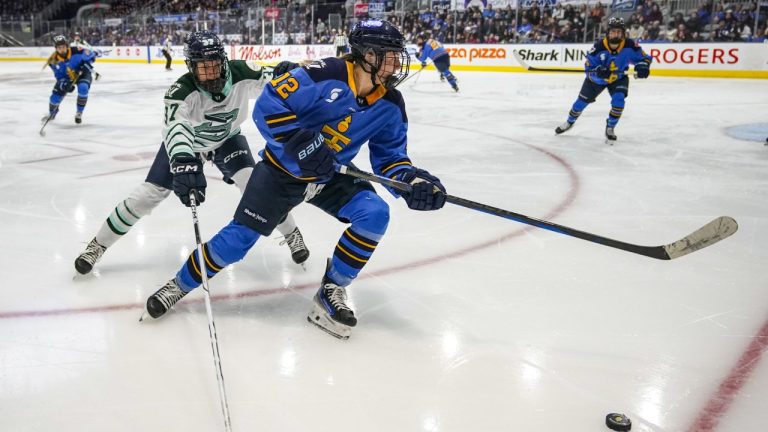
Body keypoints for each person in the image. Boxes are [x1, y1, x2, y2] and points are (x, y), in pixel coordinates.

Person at [141, 20, 447, 340]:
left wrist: (412, 182)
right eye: (390, 55)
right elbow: (269, 105)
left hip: (329, 175)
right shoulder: (323, 74)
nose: (397, 63)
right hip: (281, 173)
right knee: (237, 242)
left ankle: (332, 290)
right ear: (367, 56)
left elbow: (390, 158)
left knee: (374, 213)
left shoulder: (390, 104)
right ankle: (179, 284)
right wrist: (299, 143)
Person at [74, 31, 310, 275]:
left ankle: (292, 234)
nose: (209, 73)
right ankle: (97, 245)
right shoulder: (180, 92)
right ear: (190, 67)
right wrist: (184, 160)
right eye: (202, 67)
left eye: (214, 65)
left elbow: (273, 78)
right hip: (189, 146)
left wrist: (293, 74)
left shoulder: (242, 72)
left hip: (227, 140)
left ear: (223, 60)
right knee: (148, 195)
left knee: (257, 188)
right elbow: (176, 128)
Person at [555, 17, 651, 142]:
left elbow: (645, 58)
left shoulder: (630, 45)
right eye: (613, 31)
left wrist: (643, 66)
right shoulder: (598, 47)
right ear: (608, 32)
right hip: (597, 81)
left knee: (619, 101)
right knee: (580, 103)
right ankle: (569, 122)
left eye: (618, 32)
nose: (615, 34)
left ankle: (610, 127)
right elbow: (588, 68)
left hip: (618, 78)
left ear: (623, 33)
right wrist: (598, 71)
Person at [44, 35, 96, 124]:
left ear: (67, 46)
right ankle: (52, 113)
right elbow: (59, 76)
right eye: (59, 47)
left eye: (63, 47)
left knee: (83, 88)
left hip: (82, 73)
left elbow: (92, 57)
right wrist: (64, 84)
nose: (62, 49)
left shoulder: (77, 50)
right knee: (54, 98)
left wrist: (87, 61)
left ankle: (79, 112)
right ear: (56, 48)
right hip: (66, 77)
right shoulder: (53, 61)